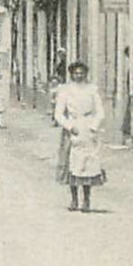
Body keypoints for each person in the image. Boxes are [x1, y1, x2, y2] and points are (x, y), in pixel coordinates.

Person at [54, 60, 106, 212]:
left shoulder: (92, 90)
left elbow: (100, 112)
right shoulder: (65, 90)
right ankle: (74, 199)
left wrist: (93, 126)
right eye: (76, 73)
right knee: (72, 165)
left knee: (88, 164)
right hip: (73, 126)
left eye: (81, 73)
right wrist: (70, 126)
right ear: (71, 74)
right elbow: (58, 114)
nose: (79, 76)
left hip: (88, 128)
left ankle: (87, 199)